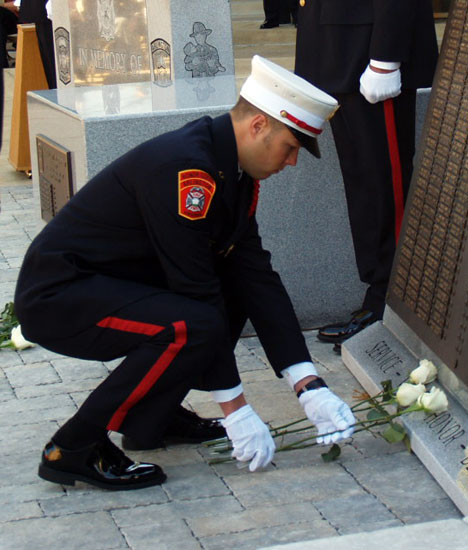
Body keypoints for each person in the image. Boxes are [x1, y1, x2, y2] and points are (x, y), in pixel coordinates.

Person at [15, 55, 356, 491]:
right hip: (60, 297)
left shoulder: (232, 171)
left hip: (109, 286)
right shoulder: (188, 168)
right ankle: (72, 449)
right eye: (290, 147)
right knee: (192, 323)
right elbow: (194, 289)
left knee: (230, 295)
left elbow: (256, 277)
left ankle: (150, 420)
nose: (291, 162)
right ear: (257, 127)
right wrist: (237, 409)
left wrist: (308, 384)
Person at [293, 0, 438, 347]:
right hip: (336, 50)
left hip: (366, 53)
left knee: (384, 184)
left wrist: (386, 57)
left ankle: (393, 297)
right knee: (363, 183)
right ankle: (379, 293)